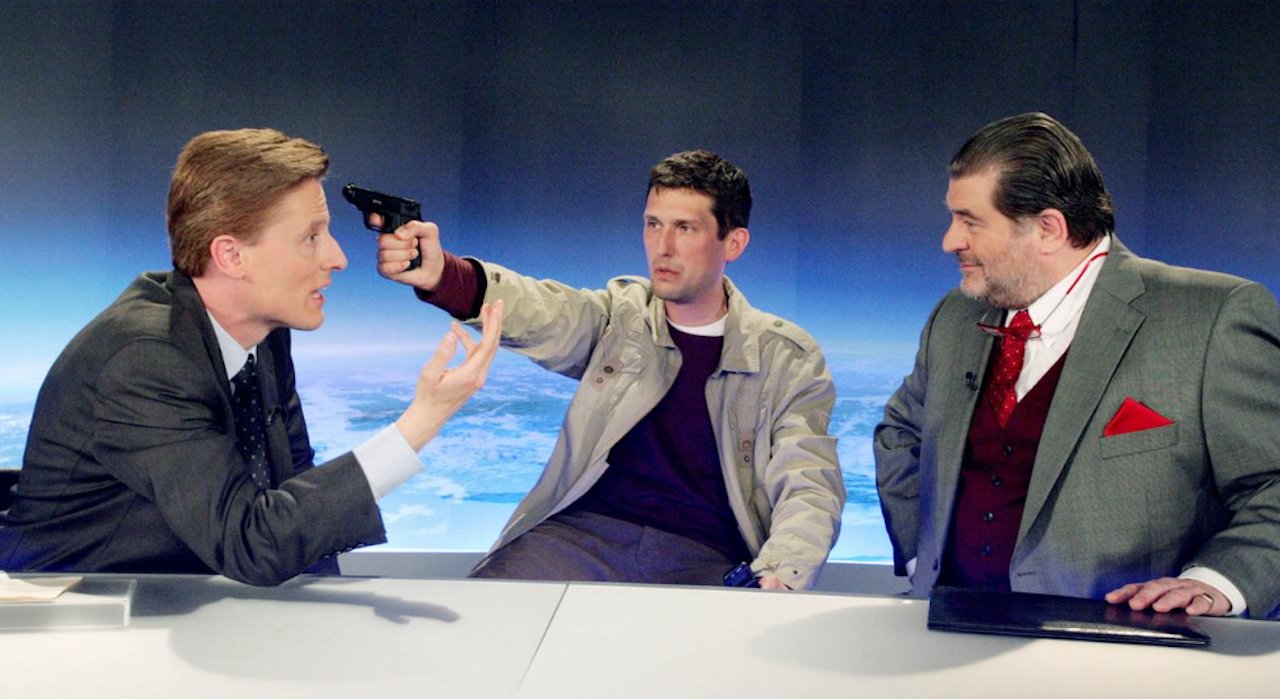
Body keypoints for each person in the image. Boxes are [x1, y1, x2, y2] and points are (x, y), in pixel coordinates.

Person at [0, 128, 503, 586]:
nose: (337, 258)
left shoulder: (263, 333)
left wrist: (328, 619)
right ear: (231, 256)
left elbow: (294, 489)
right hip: (76, 611)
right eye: (311, 237)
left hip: (187, 595)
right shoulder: (145, 358)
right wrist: (420, 423)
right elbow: (251, 543)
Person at [375, 150, 844, 590]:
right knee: (485, 616)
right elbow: (541, 310)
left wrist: (782, 571)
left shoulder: (788, 358)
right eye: (653, 224)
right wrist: (442, 274)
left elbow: (809, 481)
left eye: (685, 228)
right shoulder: (621, 316)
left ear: (733, 242)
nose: (663, 247)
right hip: (579, 537)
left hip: (707, 556)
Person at [875, 112, 1280, 617]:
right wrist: (924, 557)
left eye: (970, 221)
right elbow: (900, 435)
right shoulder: (955, 316)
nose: (950, 241)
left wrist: (1215, 584)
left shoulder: (1212, 317)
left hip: (1124, 648)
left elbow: (1272, 485)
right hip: (948, 632)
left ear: (1049, 229)